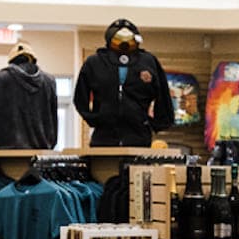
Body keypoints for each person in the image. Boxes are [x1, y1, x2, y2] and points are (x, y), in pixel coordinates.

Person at [73, 19, 174, 148]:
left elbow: (163, 94)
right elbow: (80, 96)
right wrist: (94, 119)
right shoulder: (95, 62)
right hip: (103, 138)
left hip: (139, 137)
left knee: (138, 169)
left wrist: (156, 123)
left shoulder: (148, 62)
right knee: (104, 168)